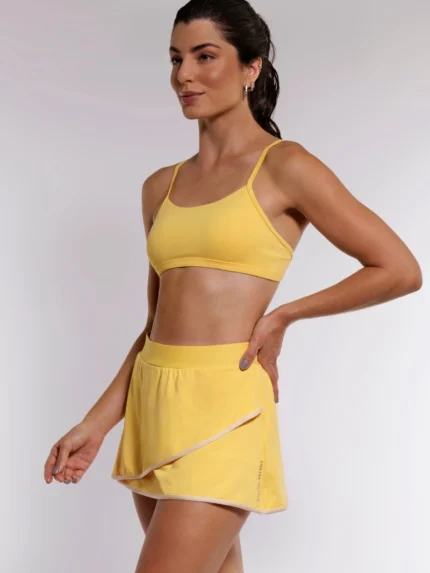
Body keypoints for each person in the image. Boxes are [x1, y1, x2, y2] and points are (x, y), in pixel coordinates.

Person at [43, 1, 423, 571]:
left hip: (227, 405)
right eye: (175, 59)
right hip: (153, 405)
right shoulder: (160, 187)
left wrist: (285, 315)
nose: (184, 75)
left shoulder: (286, 167)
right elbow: (154, 326)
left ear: (251, 67)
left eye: (205, 56)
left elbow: (398, 268)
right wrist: (96, 424)